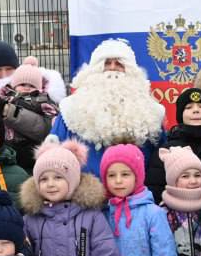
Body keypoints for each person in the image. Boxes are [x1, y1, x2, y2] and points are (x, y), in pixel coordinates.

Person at [50, 38, 165, 177]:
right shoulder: (70, 109)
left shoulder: (151, 112)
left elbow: (159, 160)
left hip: (136, 194)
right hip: (84, 192)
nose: (112, 68)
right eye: (106, 63)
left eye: (119, 63)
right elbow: (54, 154)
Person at [144, 87, 201, 203]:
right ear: (180, 115)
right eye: (188, 107)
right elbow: (155, 189)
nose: (196, 111)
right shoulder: (167, 150)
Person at [0, 56, 64, 169]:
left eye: (31, 86)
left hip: (30, 145)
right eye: (22, 85)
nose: (27, 88)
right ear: (14, 86)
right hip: (8, 143)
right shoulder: (5, 96)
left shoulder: (42, 100)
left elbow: (52, 120)